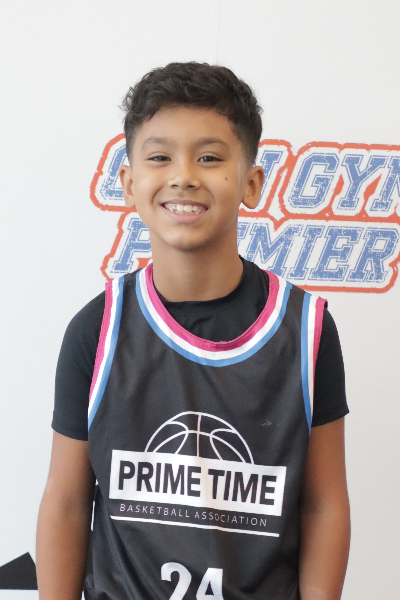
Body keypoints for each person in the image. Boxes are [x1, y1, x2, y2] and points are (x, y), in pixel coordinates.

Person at [36, 62, 350, 600]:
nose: (183, 176)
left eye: (209, 157)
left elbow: (323, 505)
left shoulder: (307, 330)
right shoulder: (97, 330)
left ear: (251, 182)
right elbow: (66, 503)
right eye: (160, 157)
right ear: (129, 183)